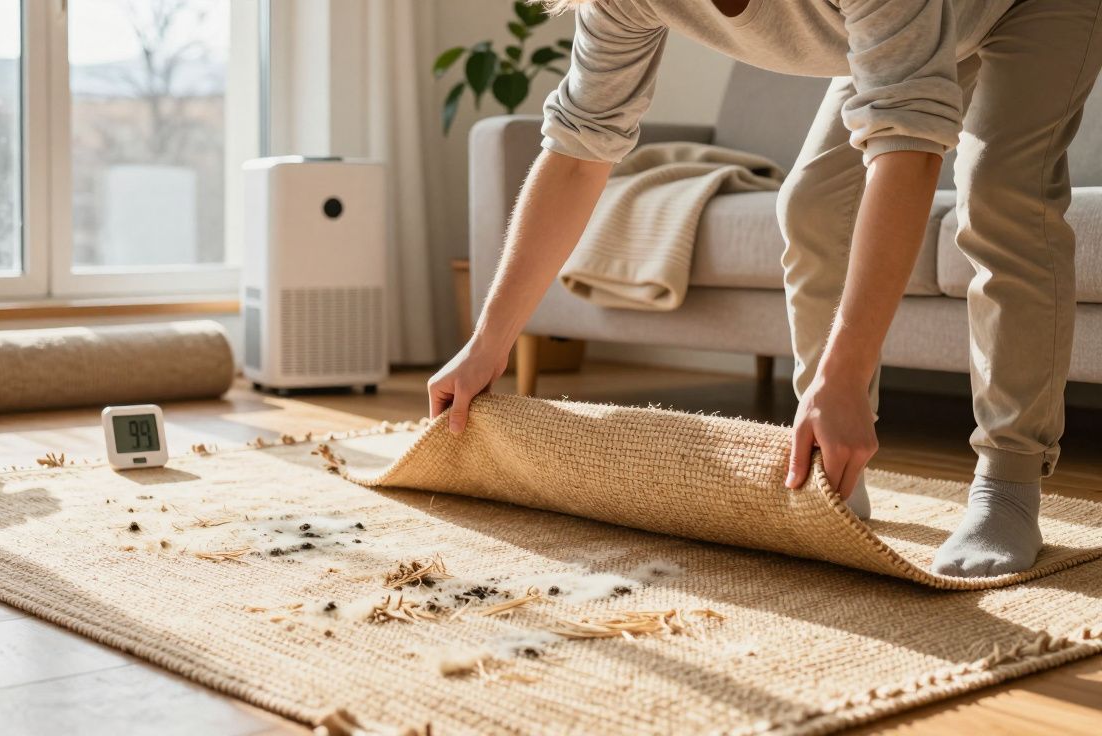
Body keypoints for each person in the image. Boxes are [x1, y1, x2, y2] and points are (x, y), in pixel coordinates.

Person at [427, 0, 1102, 578]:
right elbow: (579, 150)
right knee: (811, 203)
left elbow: (907, 145)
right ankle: (833, 465)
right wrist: (487, 342)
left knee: (1001, 197)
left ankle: (1008, 484)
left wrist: (845, 371)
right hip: (922, 22)